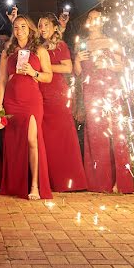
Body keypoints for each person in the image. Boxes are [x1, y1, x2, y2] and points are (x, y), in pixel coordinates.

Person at [73, 10, 133, 193]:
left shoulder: (111, 42)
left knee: (115, 133)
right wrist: (77, 60)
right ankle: (100, 182)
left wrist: (107, 64)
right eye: (90, 18)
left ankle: (120, 182)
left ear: (102, 21)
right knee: (95, 135)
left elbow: (123, 65)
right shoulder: (81, 45)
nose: (93, 20)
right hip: (90, 93)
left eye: (96, 18)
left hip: (110, 90)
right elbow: (77, 73)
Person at [0, 16, 53, 200]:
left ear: (29, 29)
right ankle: (16, 184)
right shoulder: (8, 51)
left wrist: (33, 72)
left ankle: (35, 185)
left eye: (23, 26)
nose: (19, 29)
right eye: (16, 26)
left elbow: (48, 76)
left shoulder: (39, 50)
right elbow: (2, 80)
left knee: (32, 140)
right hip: (12, 99)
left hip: (31, 100)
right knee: (14, 142)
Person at [37, 14, 87, 191]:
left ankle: (70, 180)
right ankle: (50, 180)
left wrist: (45, 67)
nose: (42, 28)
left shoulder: (61, 45)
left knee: (63, 137)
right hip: (40, 93)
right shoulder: (38, 47)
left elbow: (68, 67)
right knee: (47, 139)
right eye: (40, 25)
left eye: (46, 25)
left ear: (54, 27)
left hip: (57, 94)